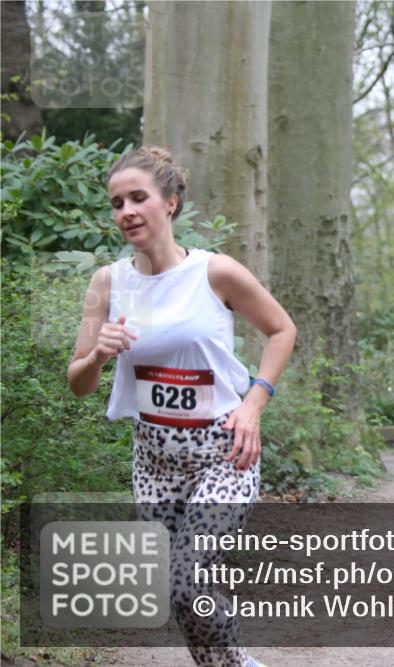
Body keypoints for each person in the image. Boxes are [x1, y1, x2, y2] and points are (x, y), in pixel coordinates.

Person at [68, 147, 296, 666]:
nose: (125, 210)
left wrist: (255, 403)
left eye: (138, 198)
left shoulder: (215, 272)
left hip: (223, 450)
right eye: (116, 202)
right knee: (181, 594)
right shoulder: (107, 282)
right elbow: (78, 382)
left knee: (189, 579)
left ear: (169, 203)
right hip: (154, 459)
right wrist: (98, 355)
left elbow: (282, 330)